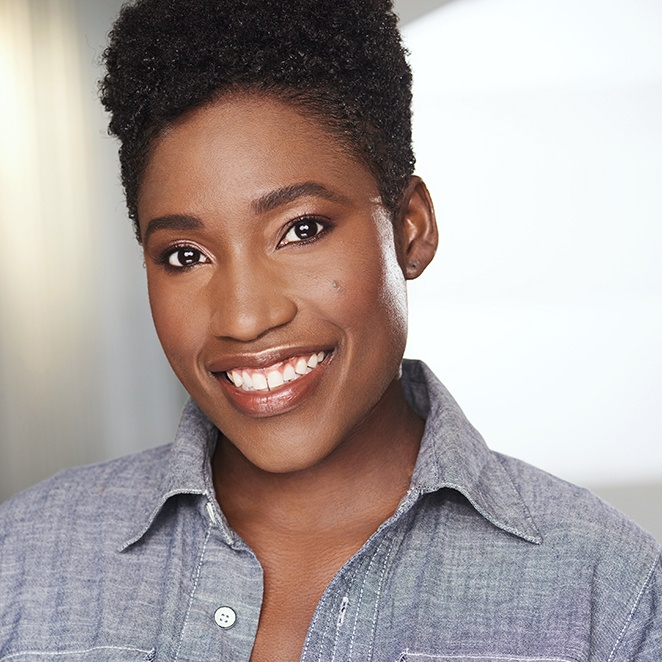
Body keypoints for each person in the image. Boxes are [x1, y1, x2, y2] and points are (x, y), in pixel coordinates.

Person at [0, 0, 660, 659]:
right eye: (185, 255)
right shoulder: (24, 562)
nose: (245, 317)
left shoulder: (608, 593)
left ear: (411, 228)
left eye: (301, 230)